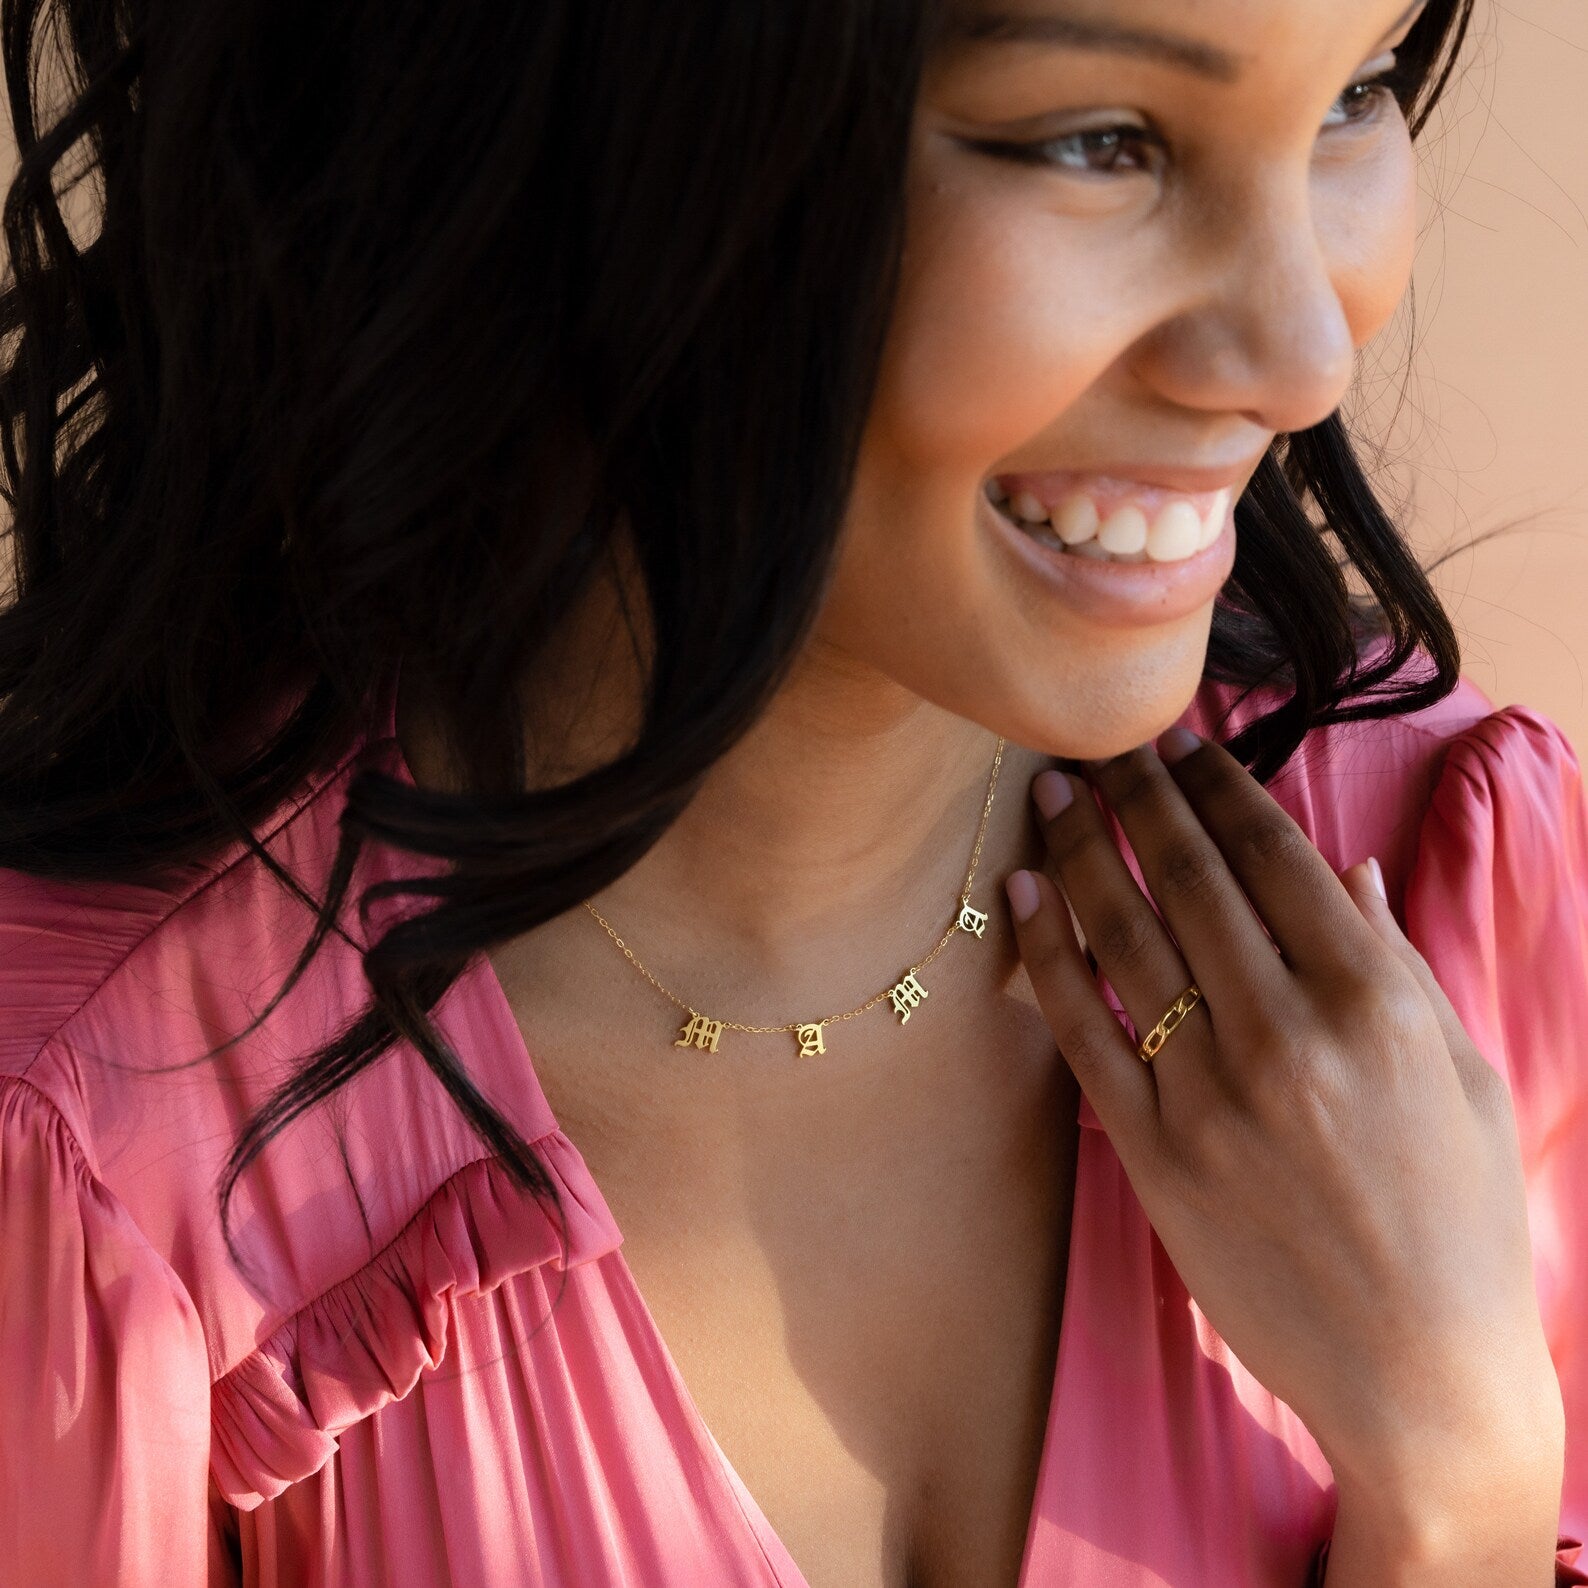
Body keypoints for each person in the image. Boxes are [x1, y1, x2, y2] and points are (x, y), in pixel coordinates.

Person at [0, 0, 1582, 1582]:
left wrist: (1463, 1491)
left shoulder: (1440, 886)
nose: (1306, 354)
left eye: (1356, 93)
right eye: (1096, 144)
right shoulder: (104, 1164)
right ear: (600, 127)